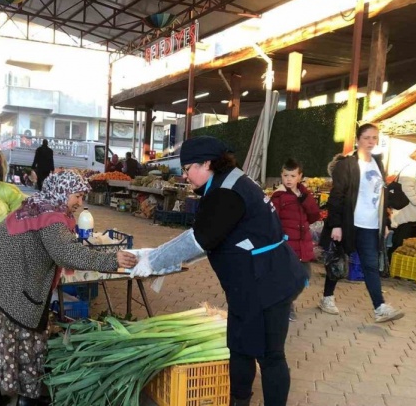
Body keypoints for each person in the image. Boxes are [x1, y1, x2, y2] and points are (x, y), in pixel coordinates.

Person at [129, 136, 306, 406]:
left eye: (188, 168)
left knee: (271, 355)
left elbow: (198, 239)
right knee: (239, 347)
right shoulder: (228, 181)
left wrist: (153, 261)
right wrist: (159, 258)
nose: (186, 175)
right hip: (247, 284)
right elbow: (211, 238)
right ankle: (239, 400)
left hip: (269, 281)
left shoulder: (227, 192)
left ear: (207, 163)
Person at [0, 170, 137, 406]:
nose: (79, 203)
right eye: (77, 196)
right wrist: (111, 260)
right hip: (6, 281)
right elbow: (67, 253)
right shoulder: (52, 217)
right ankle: (27, 400)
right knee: (28, 336)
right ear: (62, 192)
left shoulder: (38, 205)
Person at [319, 123, 404, 323]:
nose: (371, 142)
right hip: (349, 223)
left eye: (374, 138)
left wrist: (384, 222)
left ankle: (380, 307)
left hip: (370, 225)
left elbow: (381, 196)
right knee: (338, 259)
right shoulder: (347, 164)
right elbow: (337, 196)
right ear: (358, 140)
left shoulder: (378, 163)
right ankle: (327, 297)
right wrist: (336, 224)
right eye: (366, 137)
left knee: (370, 266)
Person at [271, 158, 320, 322]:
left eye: (292, 176)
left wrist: (303, 199)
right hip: (287, 246)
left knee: (305, 275)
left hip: (303, 245)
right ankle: (287, 306)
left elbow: (314, 215)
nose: (289, 179)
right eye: (286, 175)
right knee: (287, 278)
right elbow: (272, 221)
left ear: (300, 176)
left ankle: (286, 301)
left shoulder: (305, 194)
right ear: (281, 176)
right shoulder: (277, 197)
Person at [389, 148, 416, 257]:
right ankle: (390, 264)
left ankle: (391, 265)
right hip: (409, 212)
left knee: (405, 243)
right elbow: (407, 186)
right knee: (402, 242)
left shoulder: (412, 167)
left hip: (409, 213)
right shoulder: (413, 167)